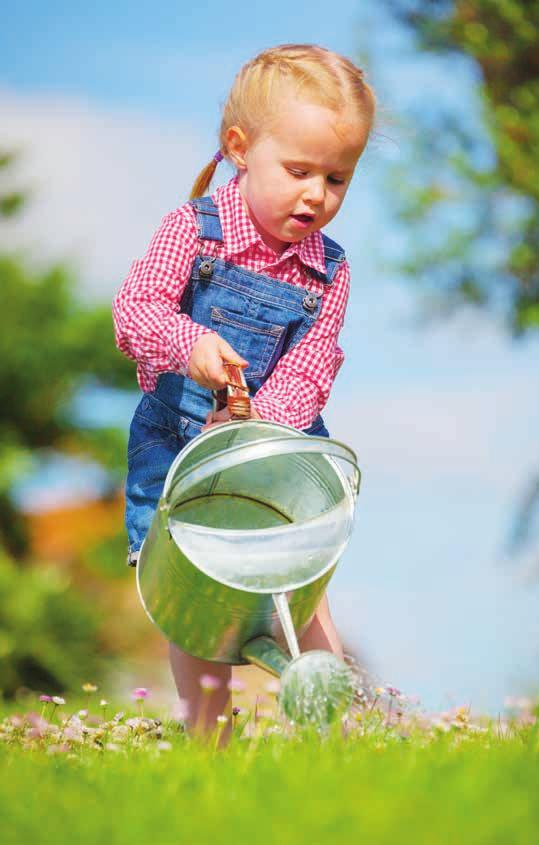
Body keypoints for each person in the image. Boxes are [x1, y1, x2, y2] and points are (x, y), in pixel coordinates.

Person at [112, 43, 376, 736]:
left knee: (303, 583)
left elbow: (315, 361)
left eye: (337, 178)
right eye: (299, 171)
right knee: (196, 601)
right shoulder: (195, 232)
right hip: (179, 446)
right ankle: (208, 739)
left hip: (277, 450)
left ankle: (335, 728)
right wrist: (188, 345)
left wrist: (261, 424)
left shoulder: (329, 270)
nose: (317, 194)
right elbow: (135, 311)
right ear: (239, 149)